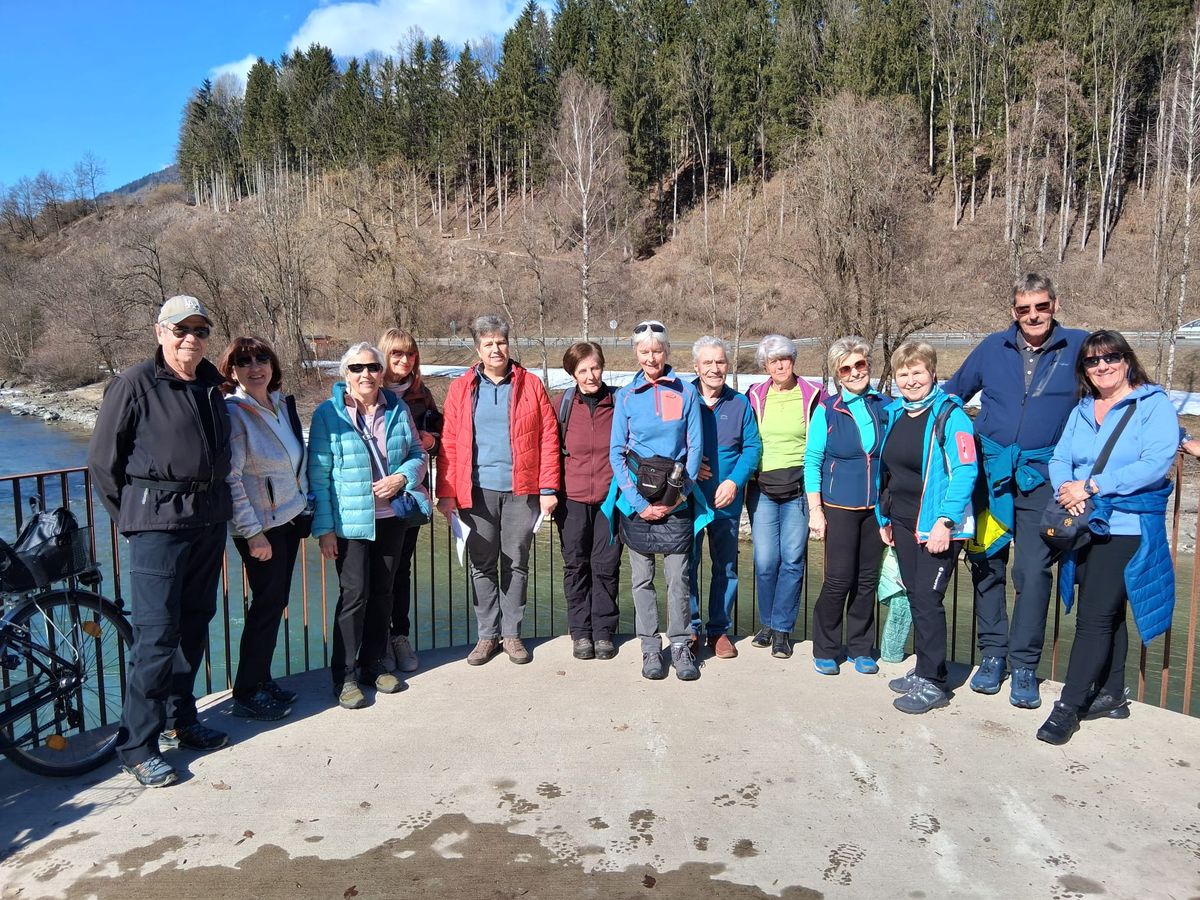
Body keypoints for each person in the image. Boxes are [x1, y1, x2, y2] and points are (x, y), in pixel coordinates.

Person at [88, 295, 233, 788]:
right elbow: (104, 465)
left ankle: (180, 718)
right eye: (181, 329)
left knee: (194, 625)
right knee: (155, 637)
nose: (190, 337)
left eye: (200, 329)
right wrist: (132, 520)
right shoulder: (133, 385)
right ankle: (137, 745)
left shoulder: (212, 384)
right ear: (160, 332)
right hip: (157, 526)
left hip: (207, 520)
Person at [944, 273, 1087, 709]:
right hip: (991, 476)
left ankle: (1024, 666)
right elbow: (952, 394)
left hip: (1043, 480)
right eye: (1024, 309)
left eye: (1041, 306)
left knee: (1032, 572)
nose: (1033, 316)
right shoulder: (992, 347)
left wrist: (1174, 435)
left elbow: (1120, 395)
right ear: (1014, 312)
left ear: (1054, 305)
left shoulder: (1079, 347)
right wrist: (957, 437)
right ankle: (992, 657)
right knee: (986, 565)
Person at [1037, 332, 1178, 744]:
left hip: (1127, 527)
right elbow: (1060, 457)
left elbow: (1155, 464)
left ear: (1127, 359)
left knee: (1094, 618)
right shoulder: (1083, 409)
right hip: (1084, 521)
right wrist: (1068, 489)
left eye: (1110, 358)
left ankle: (1068, 706)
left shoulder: (1153, 406)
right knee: (1110, 612)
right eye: (1092, 362)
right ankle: (1113, 693)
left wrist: (1092, 486)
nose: (1102, 367)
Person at [308, 343, 429, 709]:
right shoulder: (328, 414)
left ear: (381, 372)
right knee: (354, 598)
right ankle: (343, 676)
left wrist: (401, 479)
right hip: (350, 524)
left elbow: (417, 454)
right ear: (345, 373)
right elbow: (319, 477)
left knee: (383, 594)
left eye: (373, 367)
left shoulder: (398, 408)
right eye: (357, 368)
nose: (366, 374)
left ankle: (373, 664)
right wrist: (325, 530)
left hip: (391, 518)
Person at [436, 315, 559, 666]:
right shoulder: (462, 388)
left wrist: (548, 487)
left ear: (509, 344)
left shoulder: (531, 385)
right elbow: (449, 443)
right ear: (478, 348)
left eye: (501, 342)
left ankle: (512, 635)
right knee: (482, 564)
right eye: (488, 343)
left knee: (516, 563)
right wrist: (446, 492)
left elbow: (548, 437)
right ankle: (487, 636)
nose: (495, 349)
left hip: (522, 490)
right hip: (475, 491)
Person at [878, 341, 977, 714]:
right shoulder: (895, 414)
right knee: (916, 597)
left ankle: (935, 681)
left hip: (936, 526)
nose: (910, 380)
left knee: (928, 600)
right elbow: (889, 474)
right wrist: (883, 517)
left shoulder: (951, 416)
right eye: (903, 373)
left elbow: (965, 470)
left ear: (932, 372)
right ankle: (923, 669)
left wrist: (945, 522)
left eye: (917, 371)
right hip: (902, 521)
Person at [605, 320, 706, 681]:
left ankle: (680, 645)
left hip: (676, 501)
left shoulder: (686, 393)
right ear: (636, 354)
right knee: (642, 579)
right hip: (638, 503)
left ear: (667, 352)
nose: (651, 356)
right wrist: (636, 502)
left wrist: (678, 496)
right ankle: (650, 648)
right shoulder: (626, 397)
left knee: (679, 578)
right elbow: (616, 453)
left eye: (657, 350)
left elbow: (695, 446)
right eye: (644, 351)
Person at [219, 336, 307, 722]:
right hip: (261, 528)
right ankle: (246, 692)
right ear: (232, 370)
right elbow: (231, 478)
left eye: (262, 359)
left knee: (275, 603)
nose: (255, 367)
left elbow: (294, 461)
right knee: (266, 606)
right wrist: (252, 532)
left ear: (272, 364)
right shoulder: (235, 413)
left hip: (288, 519)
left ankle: (260, 678)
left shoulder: (281, 403)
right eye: (244, 361)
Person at [805, 336, 892, 675]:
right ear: (838, 375)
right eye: (847, 368)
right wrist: (816, 510)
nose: (856, 372)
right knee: (839, 579)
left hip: (875, 508)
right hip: (838, 506)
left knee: (867, 579)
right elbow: (812, 460)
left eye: (861, 364)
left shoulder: (885, 406)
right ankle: (825, 647)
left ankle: (860, 646)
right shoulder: (827, 409)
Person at [745, 335, 823, 660]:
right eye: (773, 360)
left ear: (793, 360)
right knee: (765, 561)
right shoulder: (755, 396)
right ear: (765, 365)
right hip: (762, 487)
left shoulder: (813, 396)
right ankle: (766, 623)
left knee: (792, 560)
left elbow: (820, 444)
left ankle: (782, 630)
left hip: (798, 489)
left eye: (785, 358)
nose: (780, 365)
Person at [688, 336, 761, 659]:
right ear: (696, 367)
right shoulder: (683, 397)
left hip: (726, 500)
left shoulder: (740, 404)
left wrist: (734, 481)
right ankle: (689, 629)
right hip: (689, 499)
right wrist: (688, 466)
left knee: (726, 567)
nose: (715, 368)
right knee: (685, 566)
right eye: (708, 363)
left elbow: (752, 448)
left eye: (720, 362)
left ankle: (719, 630)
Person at [379, 327, 443, 674]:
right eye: (397, 354)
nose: (405, 360)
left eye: (411, 354)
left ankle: (399, 637)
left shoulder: (422, 395)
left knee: (400, 570)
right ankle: (376, 642)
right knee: (374, 573)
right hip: (373, 496)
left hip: (409, 497)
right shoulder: (368, 390)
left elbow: (440, 437)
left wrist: (429, 440)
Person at [554, 341, 622, 661]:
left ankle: (604, 631)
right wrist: (547, 491)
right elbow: (549, 451)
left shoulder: (619, 402)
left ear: (602, 366)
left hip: (611, 499)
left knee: (606, 565)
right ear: (573, 374)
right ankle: (581, 633)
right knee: (576, 565)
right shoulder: (563, 406)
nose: (590, 375)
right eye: (582, 370)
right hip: (572, 500)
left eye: (595, 367)